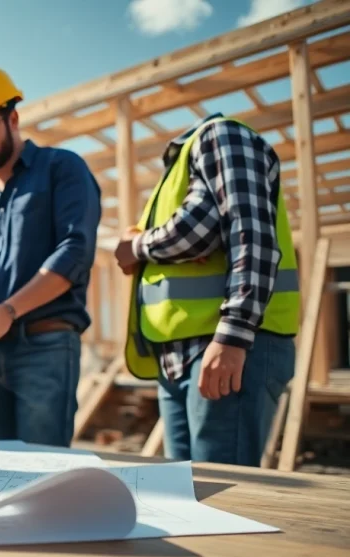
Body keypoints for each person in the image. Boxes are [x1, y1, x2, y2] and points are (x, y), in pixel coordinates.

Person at [115, 113, 299, 466]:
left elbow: (237, 232)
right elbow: (199, 229)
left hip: (225, 346)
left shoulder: (220, 135)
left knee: (222, 500)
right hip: (178, 357)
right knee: (187, 499)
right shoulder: (175, 175)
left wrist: (233, 336)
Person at [0, 63, 101, 446]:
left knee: (42, 478)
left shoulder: (63, 169)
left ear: (13, 118)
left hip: (44, 349)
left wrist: (8, 311)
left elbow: (74, 252)